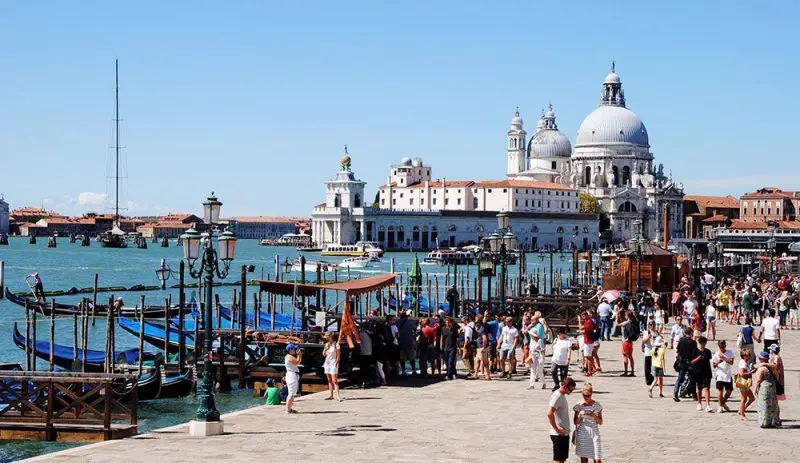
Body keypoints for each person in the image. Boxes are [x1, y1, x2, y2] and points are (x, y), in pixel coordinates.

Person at [547, 377, 576, 463]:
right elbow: (549, 413)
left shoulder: (561, 395)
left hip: (563, 434)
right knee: (558, 460)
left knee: (561, 460)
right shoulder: (557, 396)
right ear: (564, 386)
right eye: (570, 390)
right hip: (558, 435)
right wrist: (557, 429)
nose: (571, 392)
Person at [573, 382, 603, 463]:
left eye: (588, 395)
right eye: (584, 395)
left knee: (597, 458)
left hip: (594, 431)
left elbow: (600, 422)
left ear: (591, 394)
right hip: (583, 432)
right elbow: (575, 422)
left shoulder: (597, 405)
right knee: (584, 459)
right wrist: (580, 415)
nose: (586, 397)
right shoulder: (578, 405)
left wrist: (594, 416)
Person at [753, 350, 780, 428]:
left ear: (760, 359)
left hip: (764, 388)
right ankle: (773, 421)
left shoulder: (762, 369)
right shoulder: (772, 367)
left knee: (764, 404)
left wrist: (755, 389)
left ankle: (765, 422)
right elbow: (777, 376)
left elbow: (758, 380)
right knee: (772, 404)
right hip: (772, 387)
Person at [673, 327, 697, 402]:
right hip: (689, 363)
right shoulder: (693, 342)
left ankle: (675, 393)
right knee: (692, 378)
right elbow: (694, 354)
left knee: (680, 378)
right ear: (690, 333)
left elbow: (678, 350)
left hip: (681, 362)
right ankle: (693, 394)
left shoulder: (681, 340)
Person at [691, 336, 713, 412]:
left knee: (707, 388)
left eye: (704, 343)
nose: (703, 345)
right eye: (701, 343)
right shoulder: (695, 350)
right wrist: (698, 358)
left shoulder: (708, 351)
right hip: (697, 372)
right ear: (699, 343)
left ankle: (708, 405)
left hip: (707, 372)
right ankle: (699, 403)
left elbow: (709, 361)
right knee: (699, 388)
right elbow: (692, 362)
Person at [712, 340, 734, 413]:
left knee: (729, 391)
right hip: (720, 374)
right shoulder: (716, 354)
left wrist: (724, 358)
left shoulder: (729, 352)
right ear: (719, 346)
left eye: (723, 346)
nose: (722, 347)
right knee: (720, 391)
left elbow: (731, 362)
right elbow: (714, 365)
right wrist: (719, 361)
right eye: (721, 346)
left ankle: (723, 402)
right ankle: (720, 406)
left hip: (728, 374)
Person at [737, 348, 756, 421]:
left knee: (752, 398)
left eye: (748, 355)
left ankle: (741, 410)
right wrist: (751, 372)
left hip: (745, 382)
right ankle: (742, 414)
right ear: (743, 355)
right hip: (742, 381)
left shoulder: (746, 362)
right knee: (743, 399)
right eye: (746, 355)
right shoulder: (743, 363)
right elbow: (741, 373)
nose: (748, 357)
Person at [322, 332, 342, 401]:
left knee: (335, 380)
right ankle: (331, 395)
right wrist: (325, 348)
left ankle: (338, 396)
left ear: (330, 336)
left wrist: (336, 363)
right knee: (329, 380)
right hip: (327, 363)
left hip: (333, 363)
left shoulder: (336, 344)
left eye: (327, 336)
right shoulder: (327, 344)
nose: (326, 338)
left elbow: (338, 355)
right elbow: (324, 354)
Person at [284, 344, 303, 414]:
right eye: (294, 349)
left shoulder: (289, 356)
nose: (295, 350)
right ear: (290, 350)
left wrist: (299, 355)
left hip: (293, 375)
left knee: (292, 393)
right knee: (291, 393)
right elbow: (297, 362)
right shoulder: (289, 357)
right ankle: (287, 410)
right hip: (291, 375)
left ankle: (289, 408)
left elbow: (298, 362)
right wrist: (299, 355)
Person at [619, 311, 638, 377]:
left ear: (627, 315)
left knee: (625, 356)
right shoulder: (633, 322)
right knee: (630, 356)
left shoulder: (626, 322)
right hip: (630, 341)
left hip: (625, 341)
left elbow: (618, 324)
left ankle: (626, 372)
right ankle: (632, 371)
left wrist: (617, 315)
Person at [642, 320, 655, 385]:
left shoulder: (656, 332)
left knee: (653, 367)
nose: (653, 326)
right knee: (647, 367)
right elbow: (644, 341)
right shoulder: (646, 332)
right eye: (651, 325)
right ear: (649, 326)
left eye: (653, 325)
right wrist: (648, 337)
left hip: (654, 352)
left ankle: (653, 379)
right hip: (648, 351)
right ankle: (648, 380)